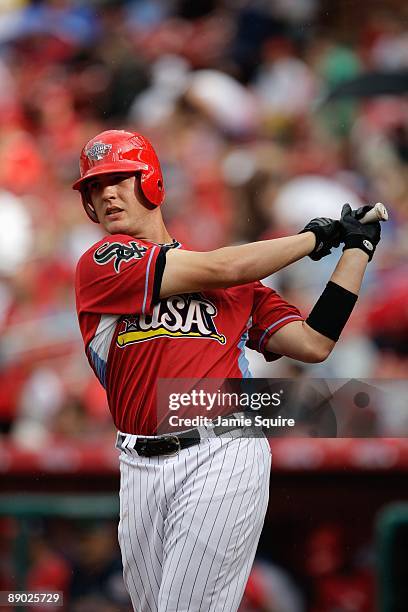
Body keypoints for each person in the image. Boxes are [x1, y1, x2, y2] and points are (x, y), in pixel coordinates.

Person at [73, 129, 381, 612]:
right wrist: (312, 238)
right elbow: (219, 269)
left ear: (151, 181)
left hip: (223, 450)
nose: (106, 193)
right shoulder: (102, 263)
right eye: (95, 185)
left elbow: (313, 343)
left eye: (119, 178)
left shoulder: (239, 283)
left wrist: (356, 253)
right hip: (137, 464)